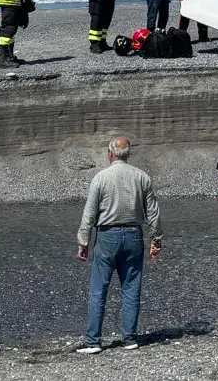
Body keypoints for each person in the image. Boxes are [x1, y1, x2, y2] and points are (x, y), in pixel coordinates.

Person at [76, 136, 164, 354]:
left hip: (107, 236)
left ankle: (93, 342)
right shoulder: (142, 177)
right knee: (131, 289)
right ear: (128, 154)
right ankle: (129, 339)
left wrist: (83, 241)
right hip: (134, 236)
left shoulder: (101, 178)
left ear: (110, 154)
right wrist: (156, 240)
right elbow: (153, 213)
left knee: (99, 290)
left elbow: (89, 213)